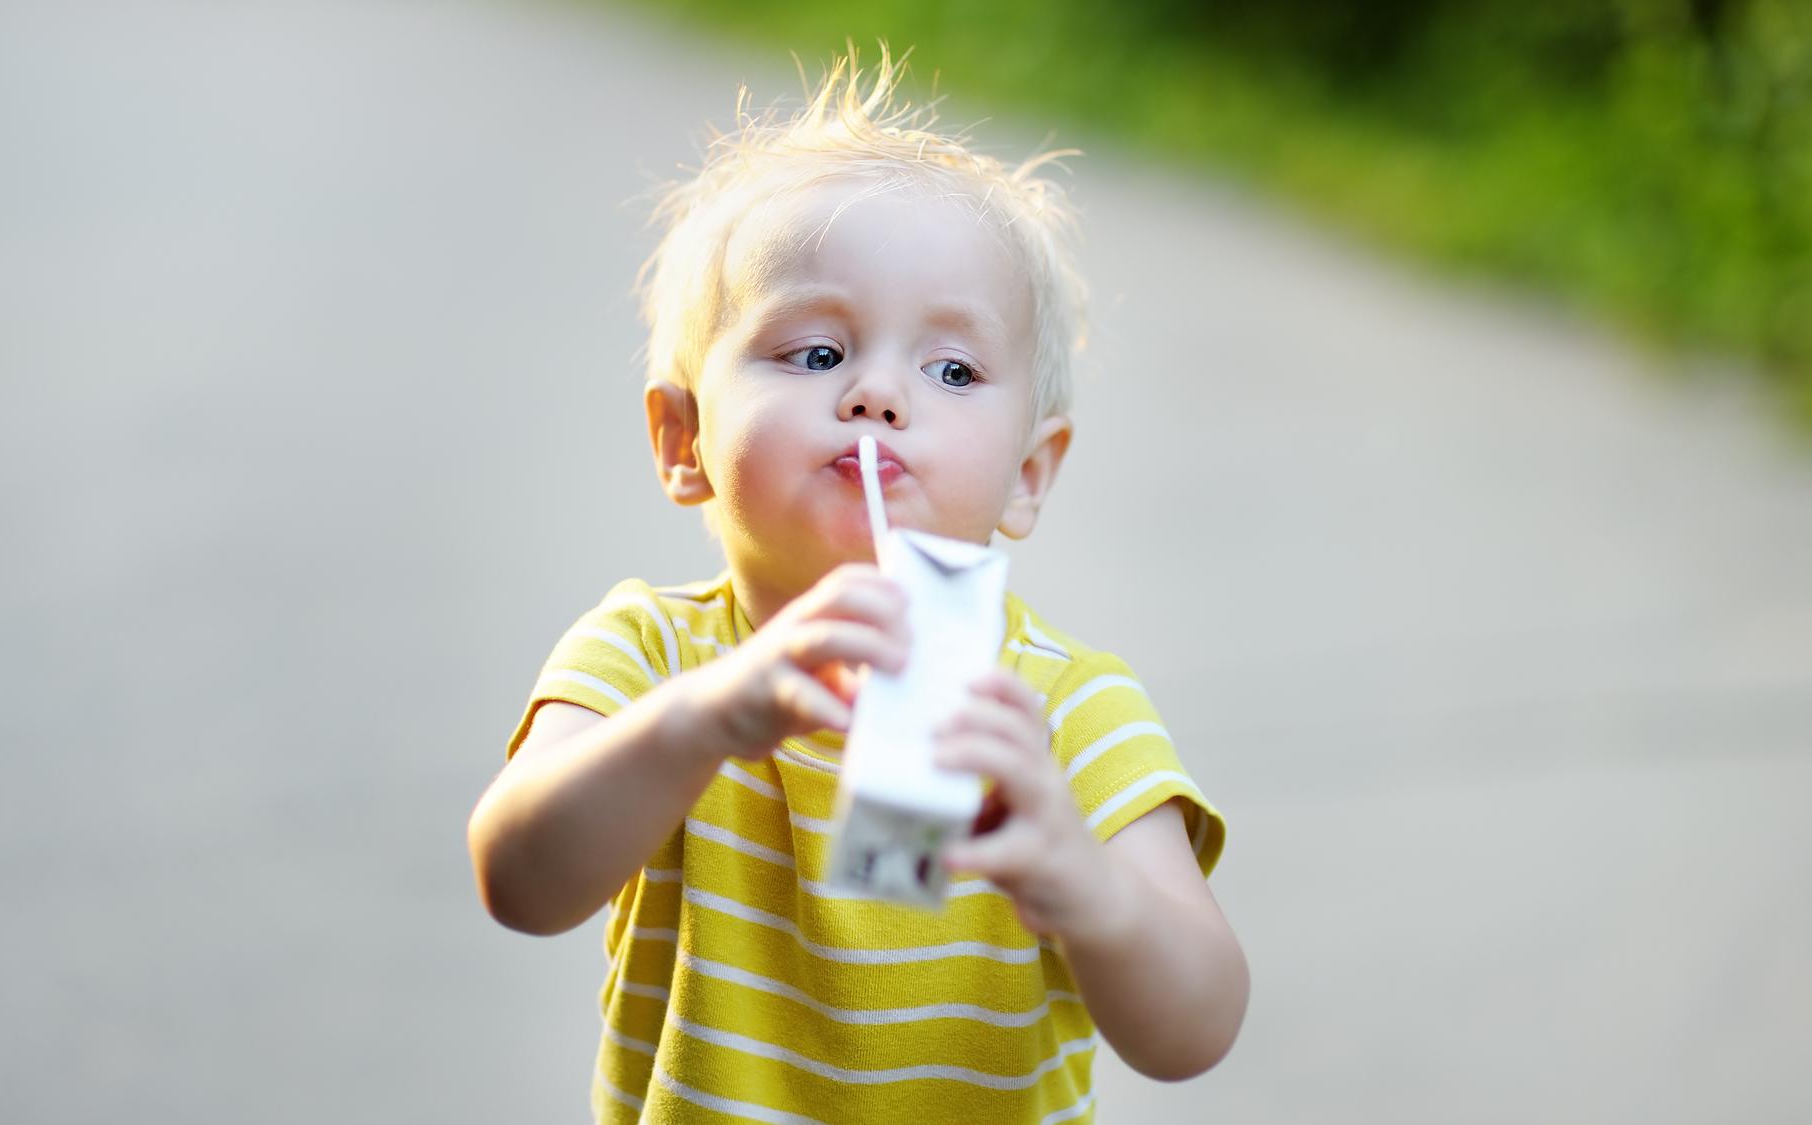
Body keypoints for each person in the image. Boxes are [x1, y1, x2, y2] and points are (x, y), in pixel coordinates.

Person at [467, 46, 1248, 1124]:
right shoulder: (652, 660)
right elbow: (521, 882)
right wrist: (701, 722)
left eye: (951, 372)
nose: (878, 394)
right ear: (681, 438)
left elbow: (1195, 1030)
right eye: (815, 352)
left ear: (1028, 475)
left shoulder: (1061, 714)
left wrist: (1087, 884)